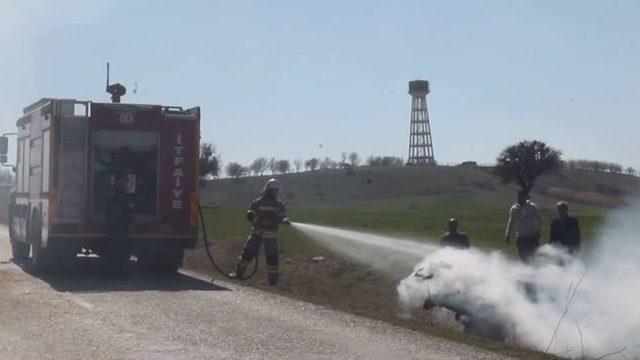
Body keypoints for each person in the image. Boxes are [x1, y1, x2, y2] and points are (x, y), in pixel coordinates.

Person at [229, 178, 291, 286]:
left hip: (271, 236)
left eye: (276, 191)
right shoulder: (257, 202)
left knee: (272, 258)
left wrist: (284, 220)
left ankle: (273, 281)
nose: (275, 193)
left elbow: (282, 215)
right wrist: (258, 220)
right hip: (257, 233)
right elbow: (249, 215)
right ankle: (238, 273)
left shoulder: (279, 204)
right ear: (268, 190)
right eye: (274, 190)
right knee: (247, 253)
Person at [504, 190, 542, 264]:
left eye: (522, 197)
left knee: (534, 257)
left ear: (525, 197)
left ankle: (536, 272)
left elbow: (539, 219)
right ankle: (526, 271)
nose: (520, 199)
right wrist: (507, 234)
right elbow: (511, 222)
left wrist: (538, 231)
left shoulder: (532, 207)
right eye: (519, 197)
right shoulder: (514, 208)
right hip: (521, 237)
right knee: (523, 257)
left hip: (532, 236)